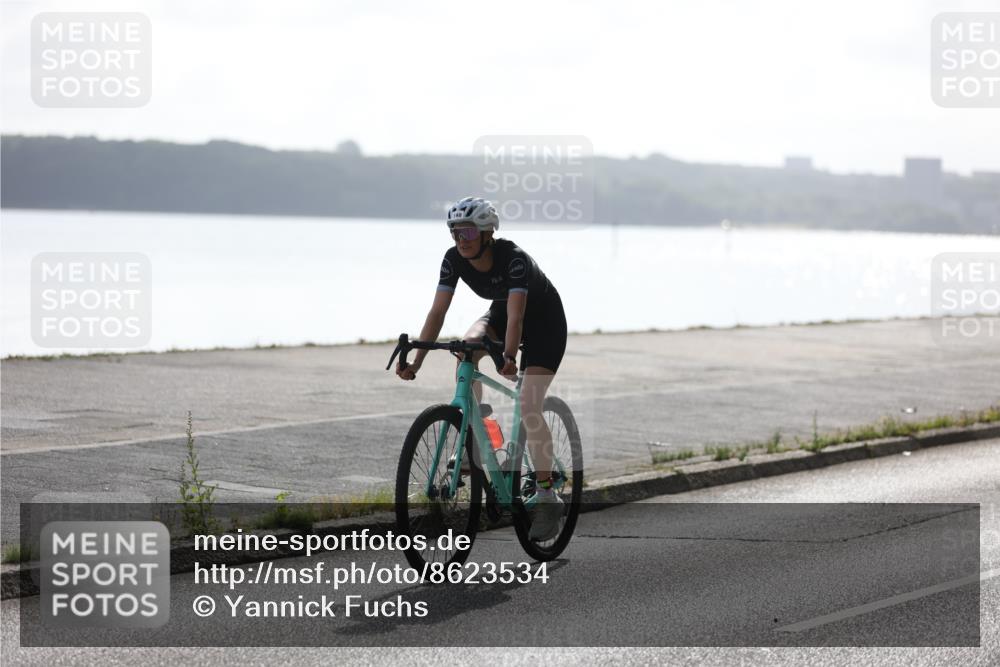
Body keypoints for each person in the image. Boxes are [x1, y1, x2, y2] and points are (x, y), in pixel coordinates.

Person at [396, 196, 568, 541]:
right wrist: (417, 359)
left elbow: (518, 317)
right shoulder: (453, 259)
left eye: (469, 231)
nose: (462, 239)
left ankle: (548, 496)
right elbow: (437, 312)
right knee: (465, 349)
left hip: (544, 323)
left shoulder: (514, 259)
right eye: (455, 231)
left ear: (487, 232)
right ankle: (480, 430)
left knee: (529, 406)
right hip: (502, 314)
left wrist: (508, 356)